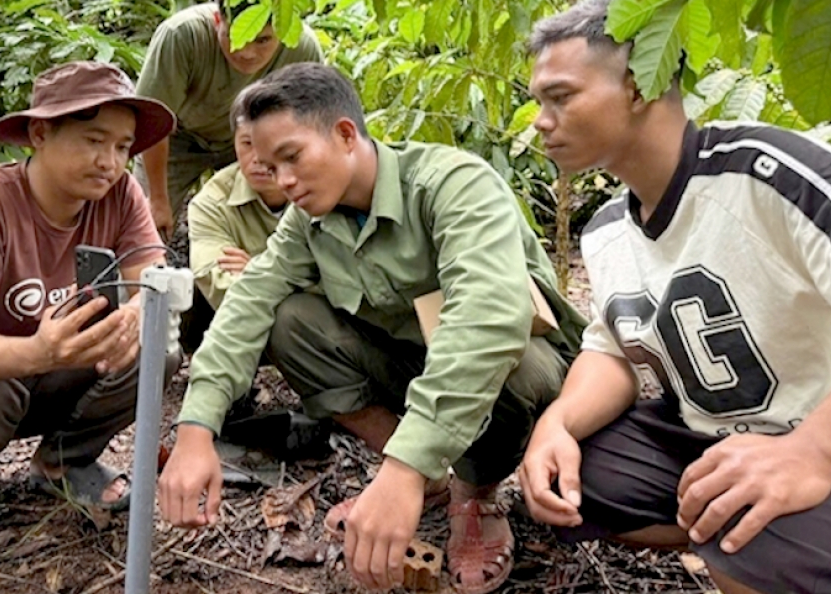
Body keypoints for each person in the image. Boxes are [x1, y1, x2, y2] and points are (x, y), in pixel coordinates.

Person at [158, 63, 585, 594]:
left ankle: (474, 494)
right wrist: (196, 427)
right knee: (291, 322)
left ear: (344, 134)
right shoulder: (308, 221)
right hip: (412, 364)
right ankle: (425, 476)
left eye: (292, 157)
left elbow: (486, 324)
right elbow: (250, 302)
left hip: (523, 371)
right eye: (269, 165)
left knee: (511, 361)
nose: (283, 180)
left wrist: (401, 470)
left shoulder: (451, 184)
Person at [520, 0, 831, 594]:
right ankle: (765, 533)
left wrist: (813, 452)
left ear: (637, 86)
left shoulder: (769, 173)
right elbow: (611, 350)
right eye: (538, 102)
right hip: (716, 433)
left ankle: (795, 546)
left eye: (561, 97)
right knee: (586, 477)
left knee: (748, 528)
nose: (541, 121)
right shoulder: (607, 230)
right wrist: (558, 422)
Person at [0, 62, 177, 555]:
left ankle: (63, 463)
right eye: (94, 140)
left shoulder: (120, 195)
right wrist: (40, 351)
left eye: (121, 147)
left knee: (161, 347)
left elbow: (154, 282)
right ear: (40, 133)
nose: (109, 162)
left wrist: (136, 315)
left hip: (66, 369)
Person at [134, 0, 323, 238]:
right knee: (145, 228)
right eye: (237, 36)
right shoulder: (182, 36)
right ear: (217, 20)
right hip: (176, 138)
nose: (247, 52)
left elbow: (311, 127)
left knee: (274, 227)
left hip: (255, 142)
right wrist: (158, 200)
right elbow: (153, 120)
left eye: (263, 40)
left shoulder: (302, 48)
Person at [188, 100, 289, 314]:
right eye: (248, 144)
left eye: (271, 143)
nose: (258, 158)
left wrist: (257, 269)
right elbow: (219, 285)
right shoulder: (212, 203)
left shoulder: (320, 188)